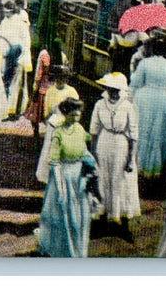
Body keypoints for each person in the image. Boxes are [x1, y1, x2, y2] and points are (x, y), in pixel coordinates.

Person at [37, 97, 100, 258]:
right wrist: (60, 187)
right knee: (64, 217)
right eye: (74, 112)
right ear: (66, 113)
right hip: (64, 176)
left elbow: (84, 150)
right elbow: (55, 162)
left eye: (79, 111)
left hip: (79, 177)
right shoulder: (58, 132)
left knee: (80, 218)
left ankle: (78, 251)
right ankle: (62, 251)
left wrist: (93, 166)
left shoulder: (79, 129)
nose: (77, 114)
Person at [89, 73, 140, 237]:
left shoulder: (128, 106)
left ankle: (116, 218)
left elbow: (133, 134)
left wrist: (131, 158)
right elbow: (94, 130)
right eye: (110, 89)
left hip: (120, 144)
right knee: (102, 177)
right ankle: (100, 214)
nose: (113, 93)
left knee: (118, 179)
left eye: (116, 90)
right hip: (104, 142)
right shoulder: (99, 104)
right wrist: (92, 153)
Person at [130, 41, 166, 180]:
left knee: (144, 128)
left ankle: (139, 164)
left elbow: (136, 82)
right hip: (164, 99)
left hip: (145, 97)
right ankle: (157, 168)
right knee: (160, 131)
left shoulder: (145, 63)